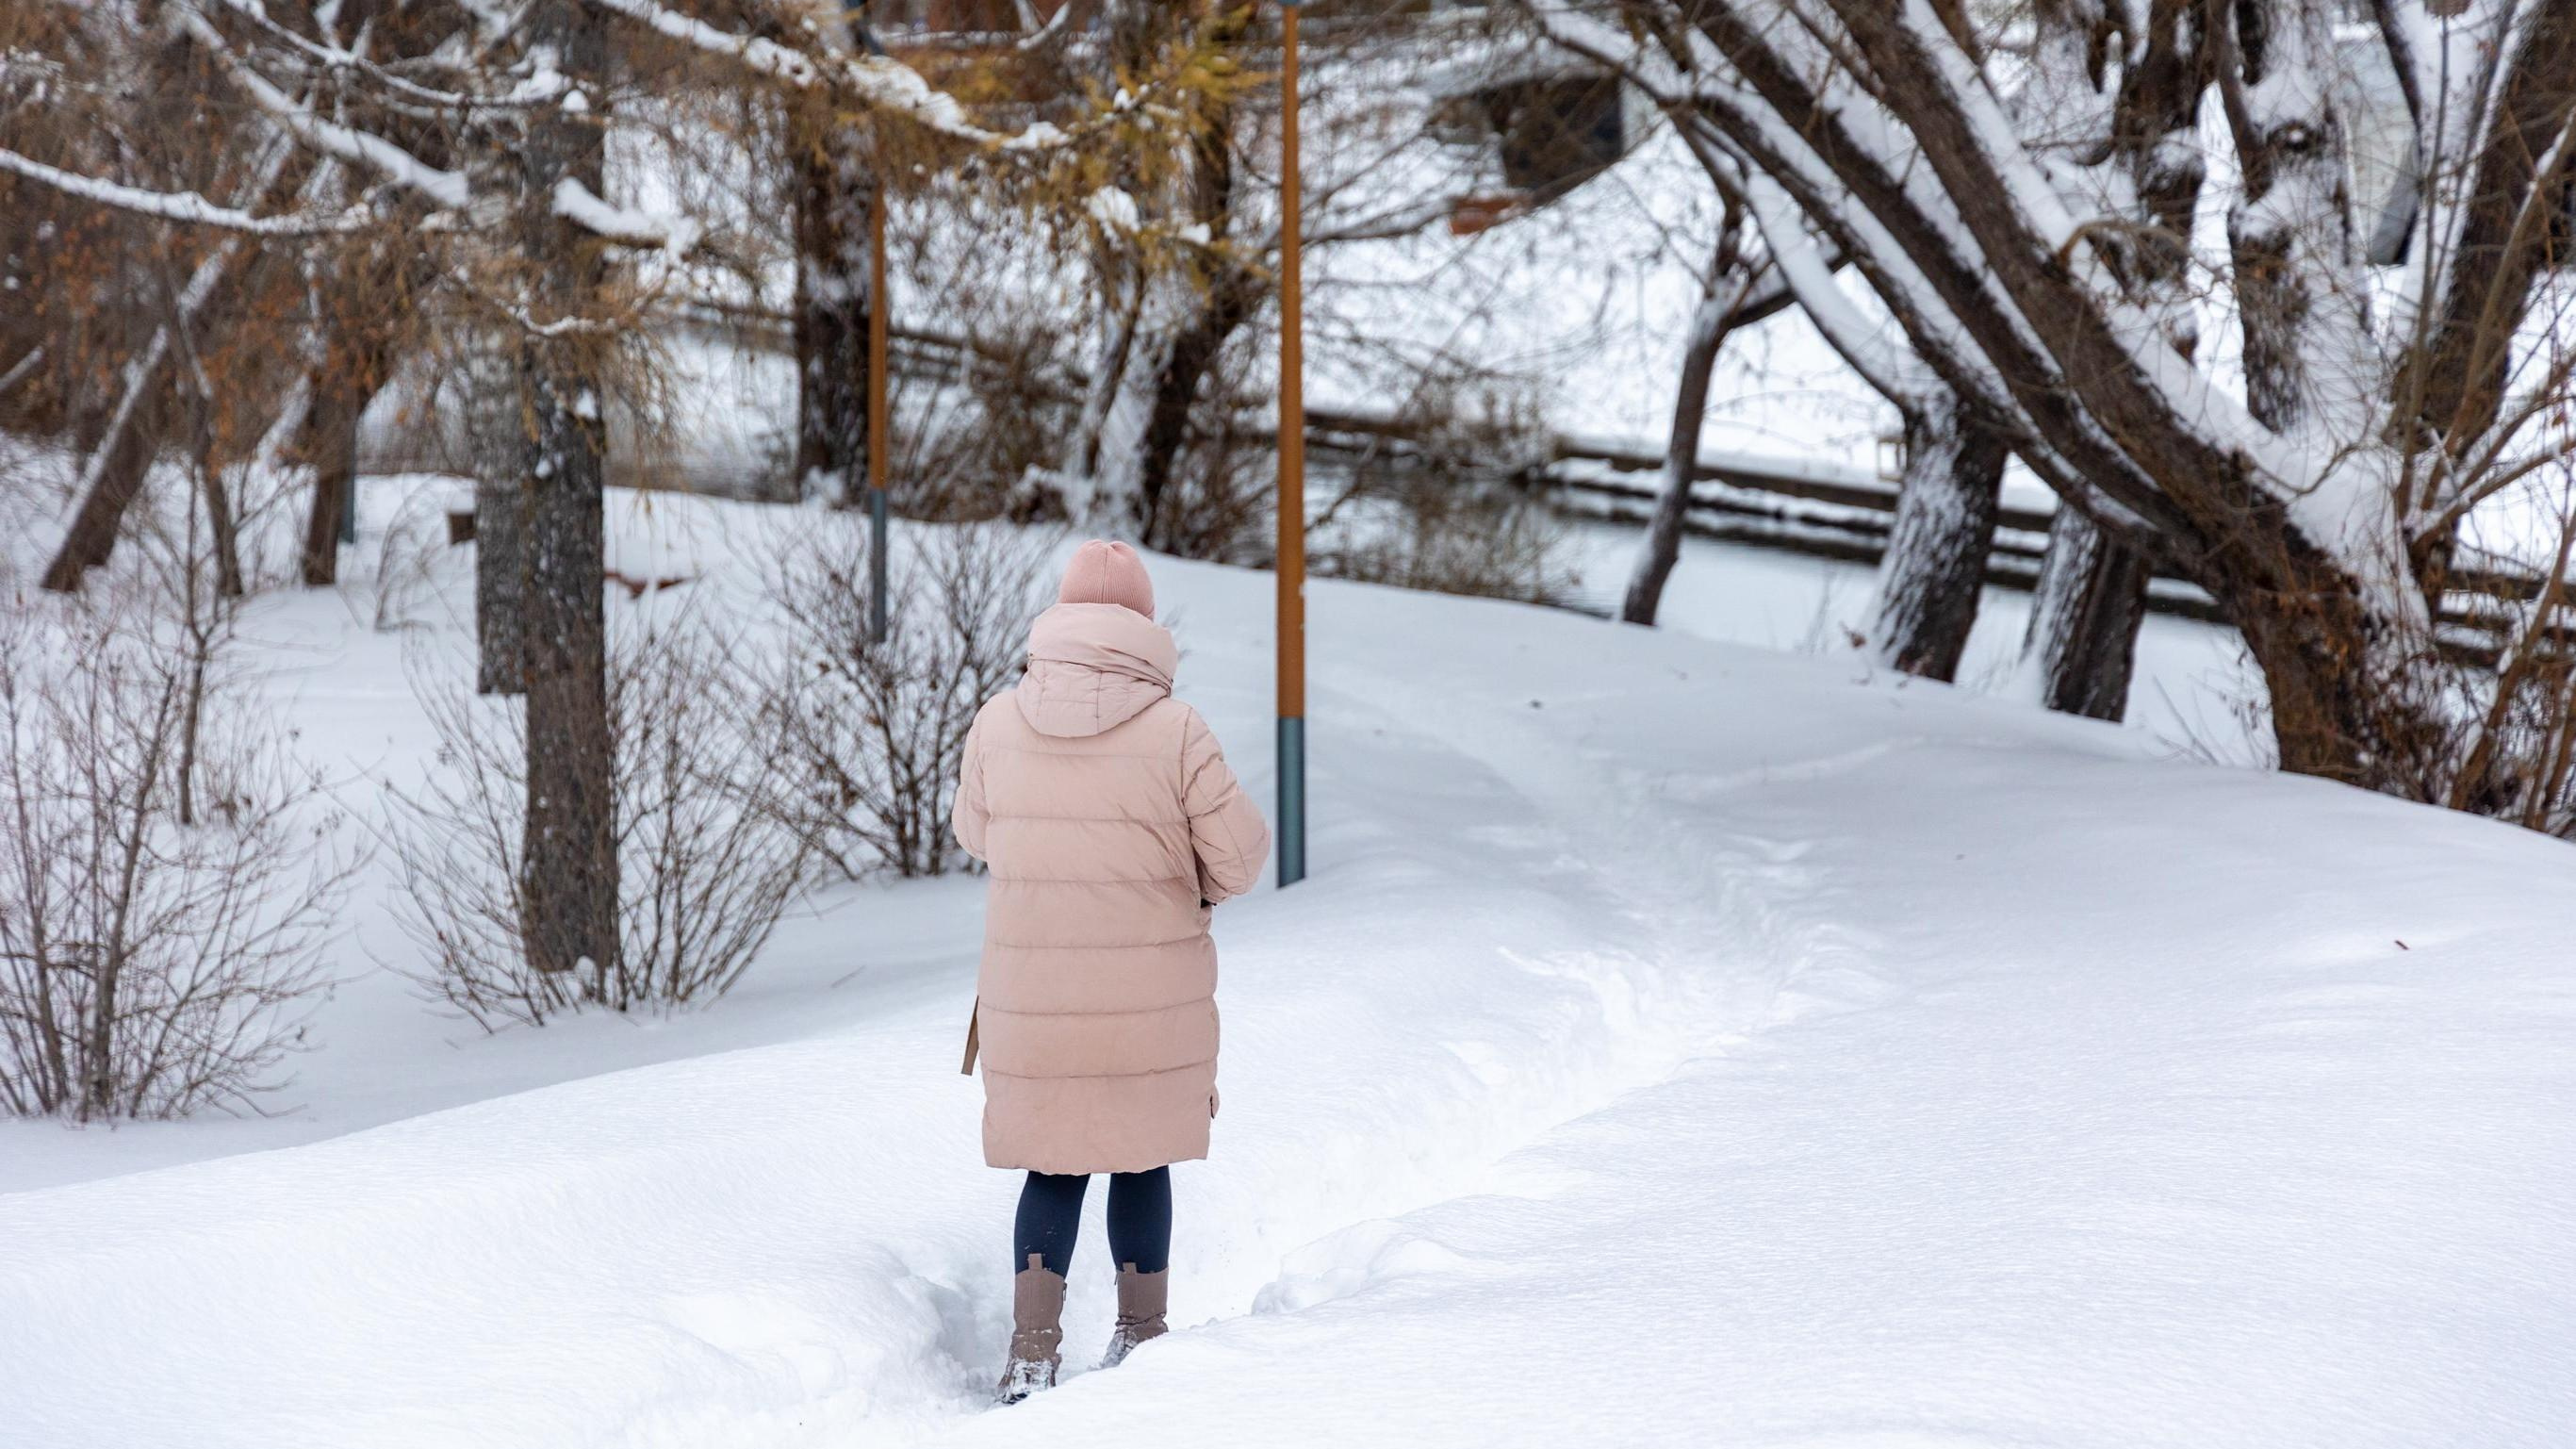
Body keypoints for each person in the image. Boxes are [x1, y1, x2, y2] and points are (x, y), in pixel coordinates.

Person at [952, 538, 1272, 1405]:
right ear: (1143, 623)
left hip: (1033, 999)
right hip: (1146, 1000)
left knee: (1051, 1165)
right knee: (1138, 1161)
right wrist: (1192, 881)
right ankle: (1140, 1338)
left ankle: (1030, 1353)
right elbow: (1239, 859)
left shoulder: (997, 720)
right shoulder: (1177, 732)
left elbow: (975, 835)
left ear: (1057, 619)